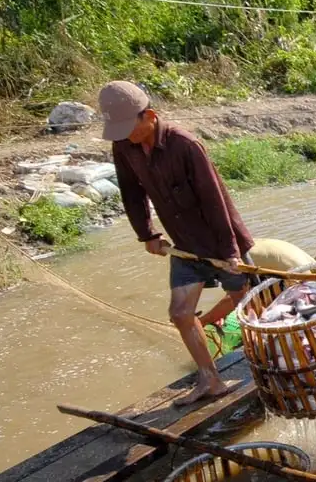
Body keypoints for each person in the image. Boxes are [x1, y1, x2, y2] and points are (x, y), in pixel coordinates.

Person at [102, 81, 255, 407]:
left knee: (247, 303)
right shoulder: (124, 147)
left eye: (129, 127)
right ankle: (210, 379)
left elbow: (214, 201)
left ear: (150, 116)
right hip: (184, 244)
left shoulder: (185, 145)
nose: (125, 135)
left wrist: (230, 253)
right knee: (181, 313)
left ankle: (270, 361)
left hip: (220, 237)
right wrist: (148, 235)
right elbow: (132, 193)